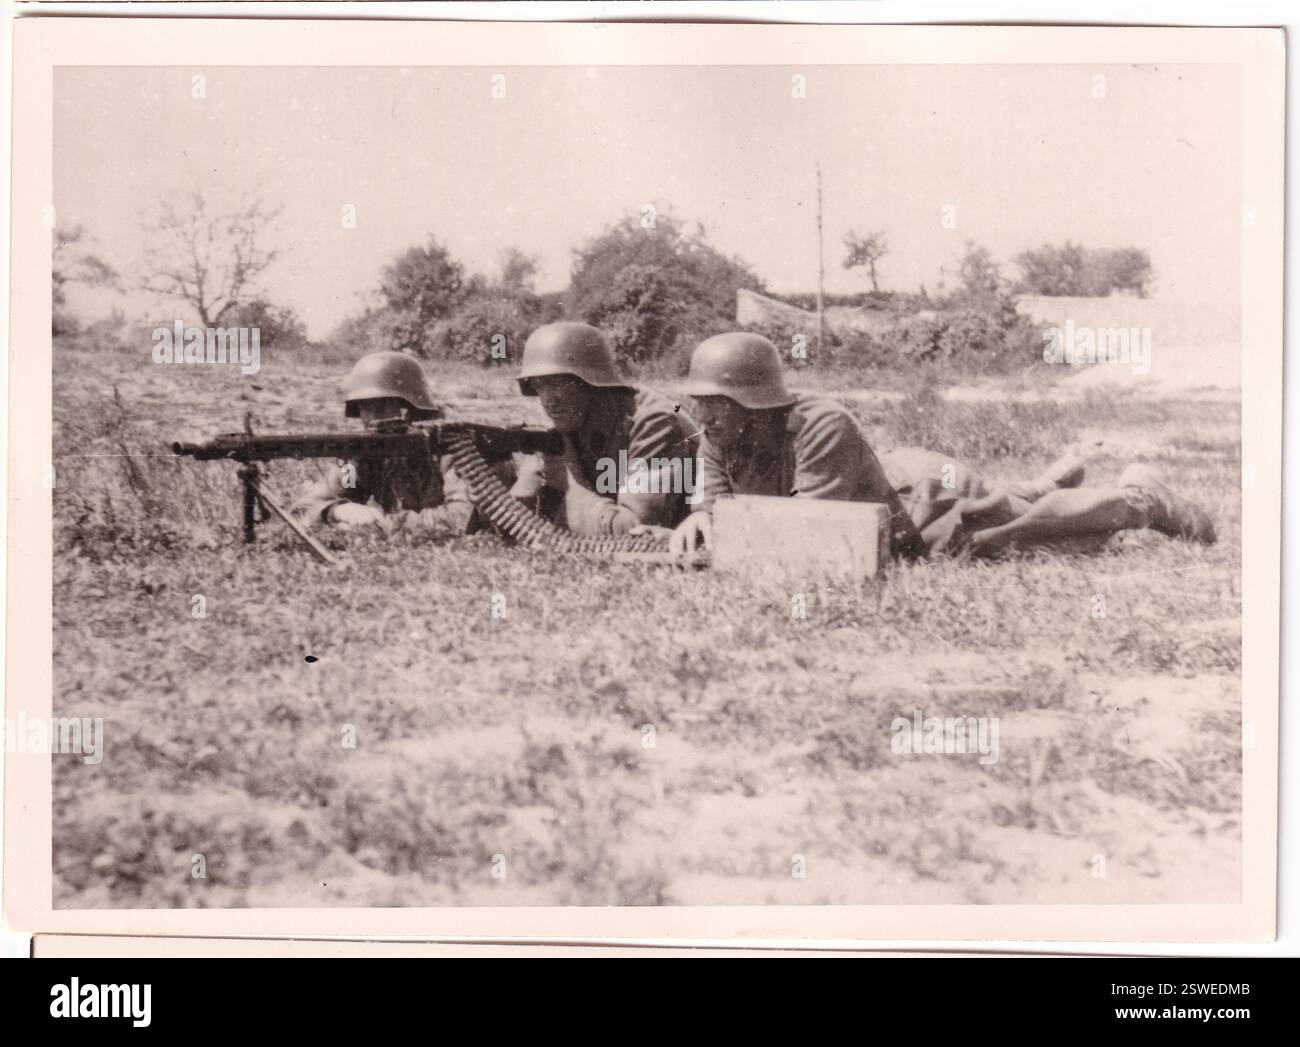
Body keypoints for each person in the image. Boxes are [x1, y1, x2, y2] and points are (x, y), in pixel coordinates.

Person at [667, 332, 923, 557]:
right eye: (699, 402)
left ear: (754, 402)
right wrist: (701, 518)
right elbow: (711, 507)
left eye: (716, 403)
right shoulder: (720, 433)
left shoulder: (823, 425)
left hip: (917, 524)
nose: (702, 417)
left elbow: (806, 528)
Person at [512, 322, 700, 536]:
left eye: (557, 384)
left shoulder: (653, 423)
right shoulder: (572, 421)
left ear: (591, 383)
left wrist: (570, 483)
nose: (547, 400)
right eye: (539, 386)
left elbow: (633, 530)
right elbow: (515, 516)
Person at [295, 351, 479, 534]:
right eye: (365, 408)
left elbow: (460, 518)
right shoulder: (365, 458)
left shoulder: (452, 448)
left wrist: (388, 524)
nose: (373, 418)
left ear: (411, 407)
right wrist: (339, 510)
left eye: (383, 406)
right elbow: (309, 505)